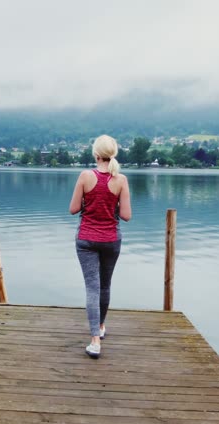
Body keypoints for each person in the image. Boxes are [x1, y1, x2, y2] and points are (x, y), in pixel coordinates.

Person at [69, 135, 131, 358]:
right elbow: (126, 215)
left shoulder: (85, 176)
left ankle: (95, 340)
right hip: (111, 240)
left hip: (86, 239)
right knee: (105, 286)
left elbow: (73, 209)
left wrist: (90, 201)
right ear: (113, 154)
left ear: (95, 154)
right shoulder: (121, 180)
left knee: (92, 289)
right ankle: (101, 327)